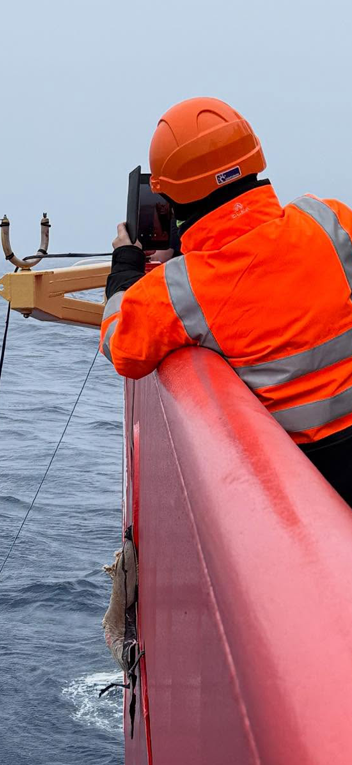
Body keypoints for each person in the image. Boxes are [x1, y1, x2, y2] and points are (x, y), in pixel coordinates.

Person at [100, 97, 352, 504]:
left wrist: (125, 272)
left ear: (172, 201)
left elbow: (122, 347)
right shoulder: (326, 219)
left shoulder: (182, 288)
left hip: (303, 476)